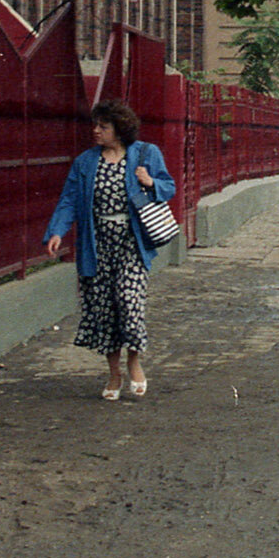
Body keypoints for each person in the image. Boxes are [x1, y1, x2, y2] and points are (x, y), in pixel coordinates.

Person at [44, 101, 176, 401]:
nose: (96, 131)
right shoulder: (86, 162)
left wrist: (150, 181)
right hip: (97, 245)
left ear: (120, 129)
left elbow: (169, 187)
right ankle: (114, 373)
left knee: (130, 302)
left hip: (131, 244)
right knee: (104, 309)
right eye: (96, 125)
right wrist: (57, 231)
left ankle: (134, 362)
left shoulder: (145, 154)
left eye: (103, 126)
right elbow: (69, 199)